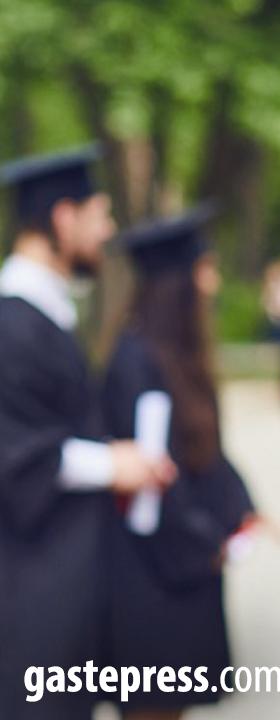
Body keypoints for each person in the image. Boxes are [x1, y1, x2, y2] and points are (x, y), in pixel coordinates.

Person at [0, 146, 175, 719]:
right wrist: (110, 465)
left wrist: (113, 455)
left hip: (61, 586)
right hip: (28, 592)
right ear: (62, 218)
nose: (109, 231)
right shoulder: (11, 321)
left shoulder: (44, 313)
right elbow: (12, 450)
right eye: (100, 215)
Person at [101, 206, 256, 718]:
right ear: (177, 285)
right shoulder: (135, 360)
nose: (211, 285)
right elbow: (155, 471)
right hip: (151, 575)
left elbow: (203, 452)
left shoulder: (182, 358)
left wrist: (242, 510)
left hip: (188, 566)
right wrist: (206, 542)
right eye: (203, 271)